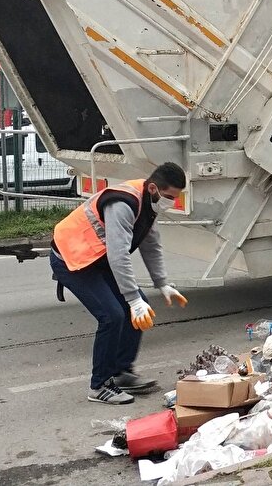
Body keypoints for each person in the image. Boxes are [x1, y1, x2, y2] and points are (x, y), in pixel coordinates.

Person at [50, 162, 189, 404]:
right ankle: (99, 385)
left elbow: (151, 244)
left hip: (96, 258)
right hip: (73, 258)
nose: (171, 202)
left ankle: (121, 373)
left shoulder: (148, 202)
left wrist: (162, 283)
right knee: (113, 315)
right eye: (169, 197)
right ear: (154, 188)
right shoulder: (124, 204)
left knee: (139, 306)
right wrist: (132, 299)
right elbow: (118, 255)